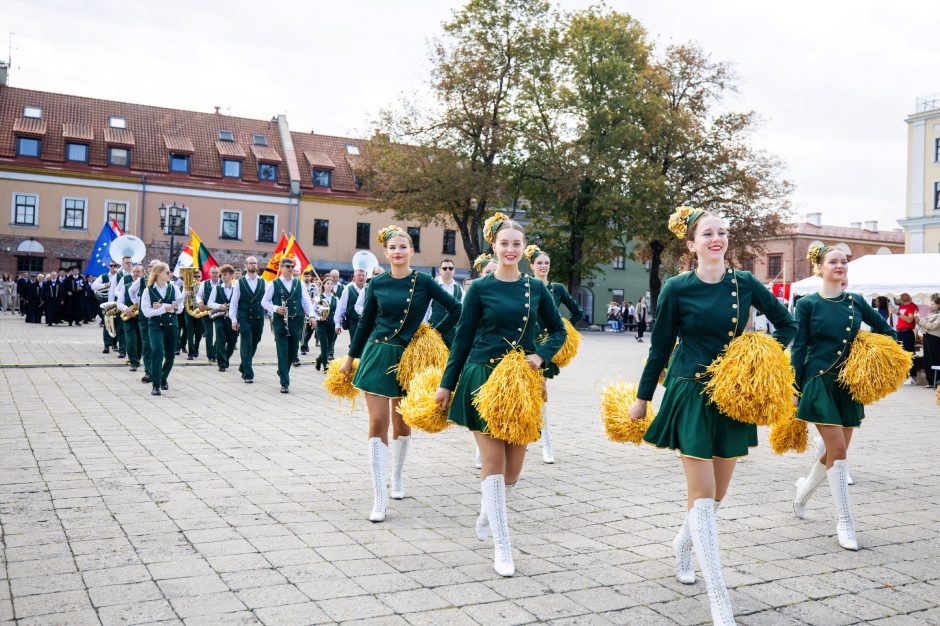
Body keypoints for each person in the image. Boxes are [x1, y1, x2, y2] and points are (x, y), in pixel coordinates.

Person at [628, 207, 796, 625]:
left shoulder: (746, 283)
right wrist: (643, 398)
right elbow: (660, 346)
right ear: (692, 244)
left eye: (722, 232)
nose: (716, 238)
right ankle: (719, 598)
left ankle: (683, 544)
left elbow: (787, 325)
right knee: (701, 494)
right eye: (707, 233)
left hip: (735, 398)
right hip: (690, 392)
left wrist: (764, 359)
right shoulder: (676, 289)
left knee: (718, 494)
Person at [435, 214, 566, 577]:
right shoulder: (478, 288)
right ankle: (503, 548)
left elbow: (557, 331)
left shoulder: (535, 289)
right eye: (504, 243)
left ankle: (487, 509)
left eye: (517, 244)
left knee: (512, 472)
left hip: (521, 385)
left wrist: (540, 355)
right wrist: (447, 383)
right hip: (482, 379)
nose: (510, 249)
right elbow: (462, 338)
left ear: (524, 250)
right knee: (492, 463)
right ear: (494, 246)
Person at [339, 225, 461, 523]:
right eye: (392, 248)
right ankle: (379, 497)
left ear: (411, 251)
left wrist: (429, 336)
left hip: (409, 360)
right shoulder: (377, 283)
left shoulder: (424, 282)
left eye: (403, 247)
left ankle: (398, 476)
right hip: (377, 355)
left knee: (402, 423)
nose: (397, 252)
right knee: (378, 421)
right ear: (386, 252)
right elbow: (365, 323)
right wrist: (350, 357)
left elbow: (456, 309)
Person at [790, 245, 898, 552]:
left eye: (844, 261)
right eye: (833, 261)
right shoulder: (808, 304)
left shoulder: (856, 301)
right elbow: (800, 347)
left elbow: (887, 331)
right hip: (818, 381)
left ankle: (802, 492)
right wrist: (794, 388)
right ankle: (845, 521)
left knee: (834, 454)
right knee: (837, 449)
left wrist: (870, 351)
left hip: (848, 385)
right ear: (820, 268)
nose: (840, 265)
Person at [527, 245, 584, 464]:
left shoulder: (557, 288)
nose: (543, 266)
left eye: (546, 263)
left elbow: (577, 310)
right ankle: (522, 435)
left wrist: (566, 330)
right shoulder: (526, 285)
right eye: (539, 263)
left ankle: (547, 444)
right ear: (532, 266)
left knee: (541, 393)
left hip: (546, 348)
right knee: (525, 392)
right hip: (527, 345)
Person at [262, 258, 316, 393]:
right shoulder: (273, 283)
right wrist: (275, 308)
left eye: (292, 266)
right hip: (280, 322)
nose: (291, 268)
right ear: (281, 267)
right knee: (282, 352)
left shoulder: (299, 283)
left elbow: (306, 301)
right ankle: (285, 383)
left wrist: (312, 316)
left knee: (293, 351)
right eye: (288, 266)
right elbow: (264, 302)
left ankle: (282, 370)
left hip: (296, 321)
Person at [141, 262, 185, 396]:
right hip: (155, 326)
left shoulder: (174, 288)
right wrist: (163, 309)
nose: (170, 274)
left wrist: (166, 307)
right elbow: (146, 312)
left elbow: (180, 308)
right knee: (157, 352)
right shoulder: (148, 290)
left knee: (171, 356)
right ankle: (156, 385)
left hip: (172, 325)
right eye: (167, 272)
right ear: (158, 273)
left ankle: (163, 377)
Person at [229, 256, 266, 384]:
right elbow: (234, 302)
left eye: (254, 263)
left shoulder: (263, 282)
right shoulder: (240, 282)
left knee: (255, 342)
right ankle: (248, 373)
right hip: (244, 317)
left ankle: (243, 366)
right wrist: (233, 319)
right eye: (250, 263)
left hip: (258, 318)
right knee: (246, 344)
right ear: (246, 265)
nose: (252, 265)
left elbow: (267, 301)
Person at [424, 259, 464, 347]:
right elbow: (426, 310)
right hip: (434, 330)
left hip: (452, 332)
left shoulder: (460, 289)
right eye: (445, 268)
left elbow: (463, 311)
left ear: (454, 270)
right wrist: (426, 329)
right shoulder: (433, 286)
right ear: (440, 270)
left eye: (450, 268)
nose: (448, 270)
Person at [208, 265, 239, 372]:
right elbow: (210, 302)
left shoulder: (237, 288)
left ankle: (225, 359)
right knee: (220, 340)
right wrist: (219, 306)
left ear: (231, 275)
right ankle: (221, 363)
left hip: (233, 318)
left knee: (232, 341)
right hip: (219, 317)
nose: (222, 277)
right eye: (222, 274)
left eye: (225, 274)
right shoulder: (217, 288)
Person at [114, 264, 144, 372]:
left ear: (142, 274)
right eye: (134, 272)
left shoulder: (146, 287)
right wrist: (126, 309)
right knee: (130, 340)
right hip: (129, 317)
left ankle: (138, 358)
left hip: (142, 318)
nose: (136, 274)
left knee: (140, 340)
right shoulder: (125, 287)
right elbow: (119, 303)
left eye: (138, 272)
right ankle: (133, 362)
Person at [196, 266, 221, 363]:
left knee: (220, 333)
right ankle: (210, 355)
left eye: (216, 272)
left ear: (219, 273)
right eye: (213, 272)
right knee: (209, 334)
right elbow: (198, 295)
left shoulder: (223, 283)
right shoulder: (204, 283)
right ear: (209, 274)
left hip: (219, 311)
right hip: (207, 311)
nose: (214, 274)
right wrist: (200, 302)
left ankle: (214, 351)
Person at [335, 268, 367, 344]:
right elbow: (341, 307)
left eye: (363, 275)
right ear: (354, 278)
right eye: (359, 275)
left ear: (366, 277)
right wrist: (337, 324)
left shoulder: (369, 289)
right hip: (353, 322)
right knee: (355, 344)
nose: (361, 277)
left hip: (367, 322)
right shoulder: (348, 290)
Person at [915, 296, 940, 388]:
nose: (931, 306)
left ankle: (937, 381)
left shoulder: (939, 315)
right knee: (927, 360)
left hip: (934, 338)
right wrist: (918, 320)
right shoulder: (931, 314)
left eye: (933, 304)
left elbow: (933, 326)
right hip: (927, 336)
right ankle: (930, 382)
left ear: (939, 305)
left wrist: (921, 321)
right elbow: (924, 325)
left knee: (934, 359)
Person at [314, 277, 338, 371]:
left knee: (329, 347)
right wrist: (318, 317)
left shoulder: (335, 298)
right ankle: (326, 367)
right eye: (328, 283)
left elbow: (338, 312)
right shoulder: (318, 298)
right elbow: (313, 310)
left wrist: (338, 324)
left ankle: (319, 359)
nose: (330, 285)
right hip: (321, 325)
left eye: (331, 284)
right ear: (324, 285)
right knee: (324, 346)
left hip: (331, 325)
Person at [896, 293, 919, 385]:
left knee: (909, 354)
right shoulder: (901, 306)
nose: (901, 296)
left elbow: (909, 319)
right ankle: (904, 376)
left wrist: (897, 313)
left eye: (903, 295)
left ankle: (912, 376)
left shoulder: (913, 306)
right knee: (901, 355)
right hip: (899, 331)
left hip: (907, 332)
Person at [300, 270, 320, 356]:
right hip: (303, 311)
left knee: (311, 329)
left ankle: (306, 342)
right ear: (303, 277)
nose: (307, 278)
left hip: (312, 311)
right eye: (305, 276)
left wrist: (313, 306)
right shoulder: (301, 286)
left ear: (311, 277)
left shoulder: (314, 286)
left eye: (308, 276)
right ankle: (303, 347)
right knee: (303, 330)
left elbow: (317, 297)